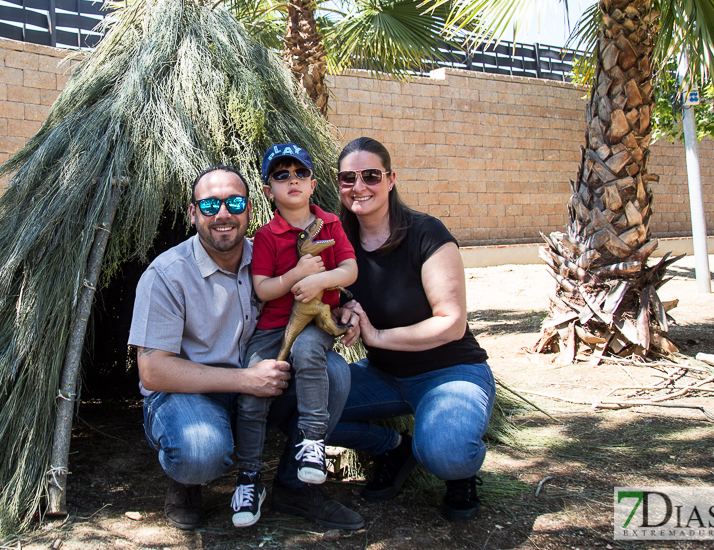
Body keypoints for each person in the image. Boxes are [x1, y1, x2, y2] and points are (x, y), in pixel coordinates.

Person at [129, 165, 364, 532]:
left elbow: (317, 284)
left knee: (334, 372)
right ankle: (187, 482)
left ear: (250, 211)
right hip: (189, 393)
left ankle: (294, 486)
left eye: (234, 203)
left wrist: (348, 304)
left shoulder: (268, 257)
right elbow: (154, 371)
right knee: (201, 450)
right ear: (193, 213)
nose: (223, 214)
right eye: (209, 205)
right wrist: (244, 380)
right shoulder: (167, 275)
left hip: (257, 383)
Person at [328, 137, 495, 522]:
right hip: (384, 375)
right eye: (348, 178)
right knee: (302, 409)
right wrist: (343, 312)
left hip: (450, 373)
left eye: (371, 175)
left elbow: (451, 324)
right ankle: (392, 447)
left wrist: (377, 337)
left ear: (390, 180)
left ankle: (459, 473)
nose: (359, 186)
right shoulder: (339, 245)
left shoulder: (425, 233)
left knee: (446, 452)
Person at [230, 144, 357, 527]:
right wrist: (295, 275)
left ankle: (313, 441)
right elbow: (264, 289)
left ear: (313, 183)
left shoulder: (331, 224)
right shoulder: (267, 235)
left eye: (300, 174)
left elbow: (349, 269)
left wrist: (321, 278)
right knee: (253, 388)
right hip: (273, 328)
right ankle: (249, 476)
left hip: (315, 321)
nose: (292, 181)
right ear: (269, 190)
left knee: (308, 354)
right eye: (281, 175)